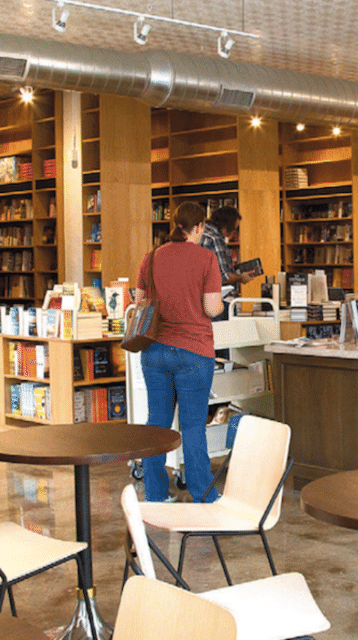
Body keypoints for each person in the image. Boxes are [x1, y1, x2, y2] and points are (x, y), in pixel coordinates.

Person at [135, 202, 224, 503]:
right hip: (193, 351)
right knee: (193, 426)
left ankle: (155, 495)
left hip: (154, 350)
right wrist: (220, 304)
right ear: (198, 227)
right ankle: (203, 495)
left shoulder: (151, 257)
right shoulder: (207, 258)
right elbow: (211, 308)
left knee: (157, 424)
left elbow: (140, 302)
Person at [198, 206, 256, 321]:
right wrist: (241, 277)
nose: (233, 234)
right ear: (226, 226)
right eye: (233, 229)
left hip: (200, 300)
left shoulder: (200, 234)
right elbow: (224, 277)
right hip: (220, 300)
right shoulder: (216, 239)